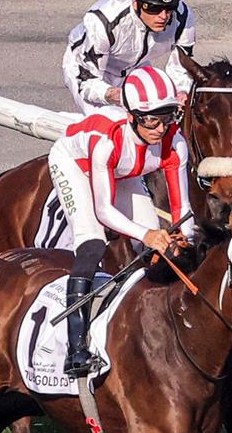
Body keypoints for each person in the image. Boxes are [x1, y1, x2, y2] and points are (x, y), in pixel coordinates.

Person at [48, 66, 198, 377]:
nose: (160, 128)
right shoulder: (109, 140)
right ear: (131, 116)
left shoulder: (175, 142)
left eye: (168, 116)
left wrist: (185, 238)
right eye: (151, 119)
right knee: (92, 244)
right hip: (76, 164)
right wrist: (149, 233)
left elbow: (182, 206)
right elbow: (103, 211)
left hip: (124, 170)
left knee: (158, 248)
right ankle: (76, 349)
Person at [62, 0, 196, 118]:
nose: (163, 16)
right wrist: (118, 95)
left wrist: (180, 92)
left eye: (170, 7)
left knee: (166, 117)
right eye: (153, 8)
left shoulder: (183, 17)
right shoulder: (103, 22)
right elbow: (87, 82)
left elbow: (180, 69)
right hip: (88, 72)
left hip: (135, 66)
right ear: (135, 3)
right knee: (117, 122)